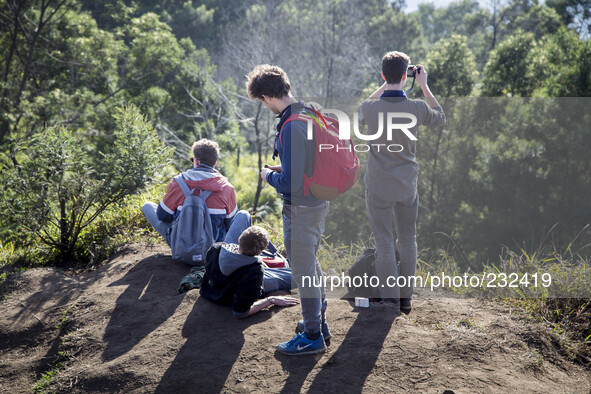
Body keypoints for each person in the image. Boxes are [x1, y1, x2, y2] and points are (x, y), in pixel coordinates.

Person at [246, 64, 331, 356]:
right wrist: (282, 167)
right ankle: (318, 320)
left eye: (262, 100)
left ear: (268, 96)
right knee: (309, 264)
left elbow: (292, 182)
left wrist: (268, 176)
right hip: (318, 202)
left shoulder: (291, 126)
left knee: (304, 270)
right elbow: (307, 165)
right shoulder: (307, 112)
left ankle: (311, 336)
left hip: (301, 209)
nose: (264, 105)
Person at [360, 51, 446, 314]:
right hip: (407, 186)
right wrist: (423, 85)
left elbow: (361, 108)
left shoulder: (370, 109)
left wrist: (385, 84)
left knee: (384, 242)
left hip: (378, 187)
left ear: (384, 75)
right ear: (406, 73)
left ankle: (390, 301)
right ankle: (406, 300)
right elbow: (440, 116)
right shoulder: (417, 107)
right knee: (408, 239)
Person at [142, 138, 251, 249]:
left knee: (148, 206)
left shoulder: (178, 182)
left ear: (196, 161)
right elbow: (230, 225)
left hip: (180, 249)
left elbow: (162, 215)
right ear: (215, 163)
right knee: (244, 215)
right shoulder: (227, 188)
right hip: (213, 255)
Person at [200, 226, 298, 318]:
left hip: (210, 290)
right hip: (232, 289)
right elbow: (240, 313)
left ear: (239, 239)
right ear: (260, 253)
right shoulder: (254, 271)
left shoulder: (216, 248)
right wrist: (270, 300)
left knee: (243, 214)